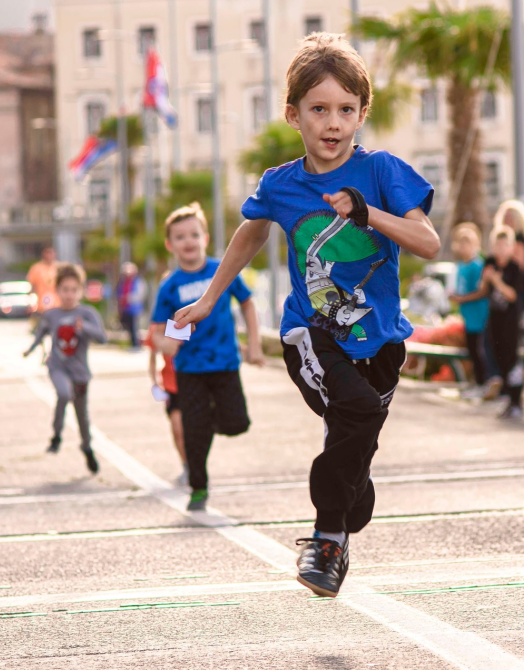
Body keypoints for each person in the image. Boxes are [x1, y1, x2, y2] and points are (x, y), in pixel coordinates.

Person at [173, 33, 440, 598]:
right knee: (358, 411)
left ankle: (346, 495)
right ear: (294, 115)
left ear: (362, 114)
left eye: (346, 110)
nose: (333, 122)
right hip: (311, 333)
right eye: (319, 109)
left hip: (382, 340)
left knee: (357, 435)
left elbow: (428, 241)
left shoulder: (383, 172)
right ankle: (326, 541)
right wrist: (210, 297)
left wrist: (371, 215)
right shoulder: (282, 184)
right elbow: (249, 234)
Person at [152, 202, 262, 511]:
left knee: (237, 423)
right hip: (190, 369)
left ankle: (203, 421)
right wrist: (165, 344)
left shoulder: (220, 271)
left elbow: (248, 303)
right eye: (180, 237)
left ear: (206, 238)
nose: (188, 241)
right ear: (170, 244)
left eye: (193, 234)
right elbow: (157, 332)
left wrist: (253, 345)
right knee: (193, 435)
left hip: (226, 362)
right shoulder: (169, 286)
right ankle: (198, 488)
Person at [24, 263, 106, 474]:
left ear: (81, 290)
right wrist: (30, 350)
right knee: (63, 393)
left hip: (80, 371)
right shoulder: (51, 315)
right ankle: (56, 435)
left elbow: (102, 337)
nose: (69, 294)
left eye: (74, 290)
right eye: (65, 289)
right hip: (58, 366)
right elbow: (40, 334)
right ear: (58, 290)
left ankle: (87, 447)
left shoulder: (87, 313)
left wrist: (84, 328)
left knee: (82, 416)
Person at [481, 226, 524, 419]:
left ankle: (517, 402)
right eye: (496, 245)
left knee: (512, 360)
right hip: (495, 320)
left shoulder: (514, 268)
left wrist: (497, 281)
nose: (500, 250)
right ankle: (508, 400)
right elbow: (483, 290)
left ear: (511, 247)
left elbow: (513, 295)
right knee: (498, 360)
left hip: (511, 322)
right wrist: (486, 279)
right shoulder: (490, 264)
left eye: (504, 245)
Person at [146, 307, 187, 485]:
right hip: (171, 385)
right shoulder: (159, 326)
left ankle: (197, 464)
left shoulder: (189, 319)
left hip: (192, 380)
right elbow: (152, 356)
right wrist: (155, 382)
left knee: (195, 429)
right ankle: (187, 466)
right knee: (178, 429)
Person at [448, 223, 489, 398]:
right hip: (468, 316)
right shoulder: (461, 266)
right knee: (471, 350)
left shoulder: (477, 265)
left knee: (479, 350)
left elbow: (482, 291)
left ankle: (483, 382)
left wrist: (461, 298)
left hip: (479, 315)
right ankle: (475, 382)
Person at [117, 262, 148, 349]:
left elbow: (140, 294)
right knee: (128, 326)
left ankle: (136, 344)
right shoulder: (123, 282)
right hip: (125, 308)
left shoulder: (138, 281)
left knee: (134, 327)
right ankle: (133, 343)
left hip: (135, 308)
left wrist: (128, 298)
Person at [27, 246, 59, 316]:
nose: (49, 255)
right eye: (47, 253)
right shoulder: (36, 268)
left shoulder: (59, 268)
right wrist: (30, 302)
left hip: (57, 306)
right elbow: (32, 287)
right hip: (41, 307)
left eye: (51, 253)